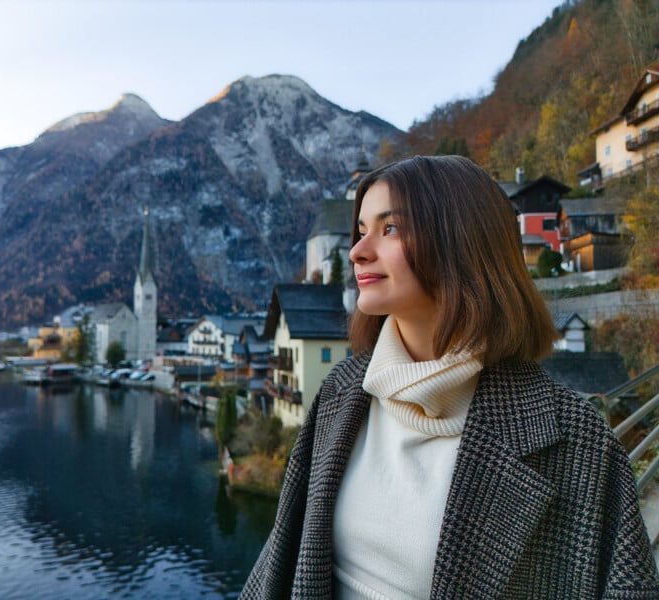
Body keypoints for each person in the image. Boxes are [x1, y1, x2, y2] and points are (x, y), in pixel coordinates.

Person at [240, 155, 659, 599]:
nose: (359, 251)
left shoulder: (575, 437)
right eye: (361, 231)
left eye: (391, 229)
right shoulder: (343, 390)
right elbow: (280, 560)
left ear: (462, 241)